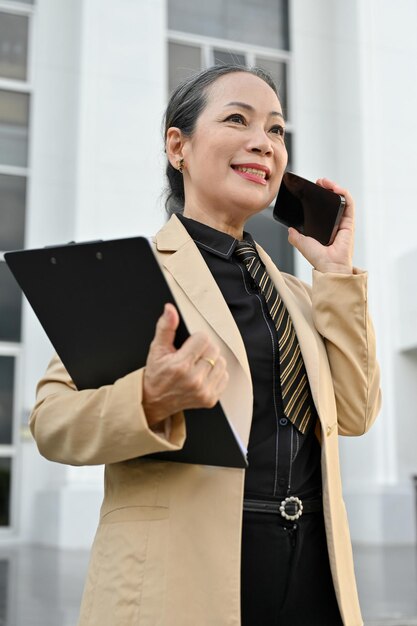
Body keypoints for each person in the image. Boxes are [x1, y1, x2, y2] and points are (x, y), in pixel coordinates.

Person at [30, 65, 381, 626]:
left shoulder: (299, 293)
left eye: (276, 130)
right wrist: (148, 397)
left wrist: (336, 276)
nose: (262, 143)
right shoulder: (129, 275)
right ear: (179, 146)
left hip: (313, 573)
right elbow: (51, 423)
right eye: (237, 120)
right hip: (185, 575)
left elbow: (357, 413)